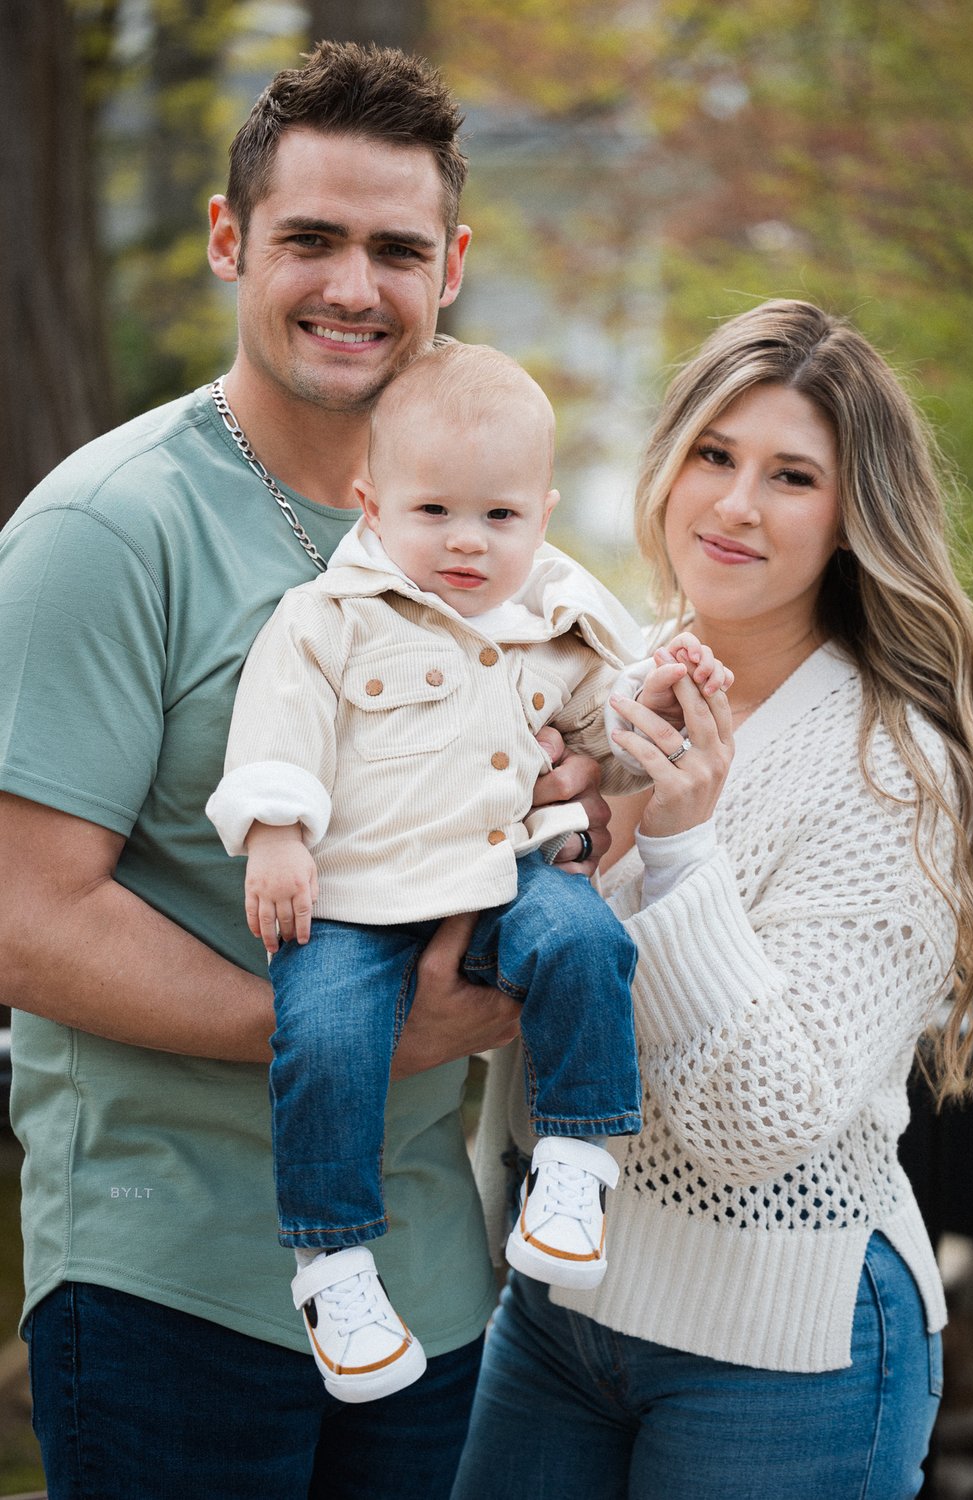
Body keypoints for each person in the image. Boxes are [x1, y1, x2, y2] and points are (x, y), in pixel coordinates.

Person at [0, 42, 616, 1500]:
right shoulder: (106, 530)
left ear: (451, 266)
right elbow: (26, 914)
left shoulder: (482, 542)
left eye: (396, 247)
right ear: (231, 242)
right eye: (311, 239)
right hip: (170, 1276)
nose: (356, 284)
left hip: (435, 1276)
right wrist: (371, 1040)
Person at [453, 299, 973, 1500]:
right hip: (554, 1309)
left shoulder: (892, 772)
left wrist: (687, 851)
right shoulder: (605, 684)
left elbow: (767, 1119)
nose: (736, 505)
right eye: (714, 454)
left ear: (852, 521)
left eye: (792, 476)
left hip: (783, 1347)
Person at [206, 340, 728, 1404]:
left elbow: (612, 739)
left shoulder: (558, 621)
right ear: (372, 504)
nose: (465, 541)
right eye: (433, 511)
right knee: (327, 1034)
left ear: (538, 514)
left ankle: (576, 1163)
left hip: (507, 874)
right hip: (359, 896)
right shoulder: (332, 617)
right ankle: (334, 1263)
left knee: (585, 939)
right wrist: (274, 832)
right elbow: (278, 727)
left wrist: (664, 694)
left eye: (497, 517)